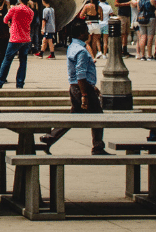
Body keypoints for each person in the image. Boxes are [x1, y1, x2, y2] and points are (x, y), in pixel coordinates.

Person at [41, 20, 107, 155]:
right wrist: (85, 94)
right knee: (98, 117)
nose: (88, 34)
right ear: (81, 34)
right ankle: (98, 146)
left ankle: (50, 138)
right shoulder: (82, 51)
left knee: (73, 116)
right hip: (82, 87)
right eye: (86, 32)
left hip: (76, 86)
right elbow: (81, 74)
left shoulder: (72, 47)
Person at [0, 0, 34, 90]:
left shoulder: (14, 8)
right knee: (23, 61)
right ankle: (20, 83)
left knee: (7, 60)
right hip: (26, 38)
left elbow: (5, 19)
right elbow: (29, 22)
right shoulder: (30, 11)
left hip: (15, 38)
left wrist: (12, 22)